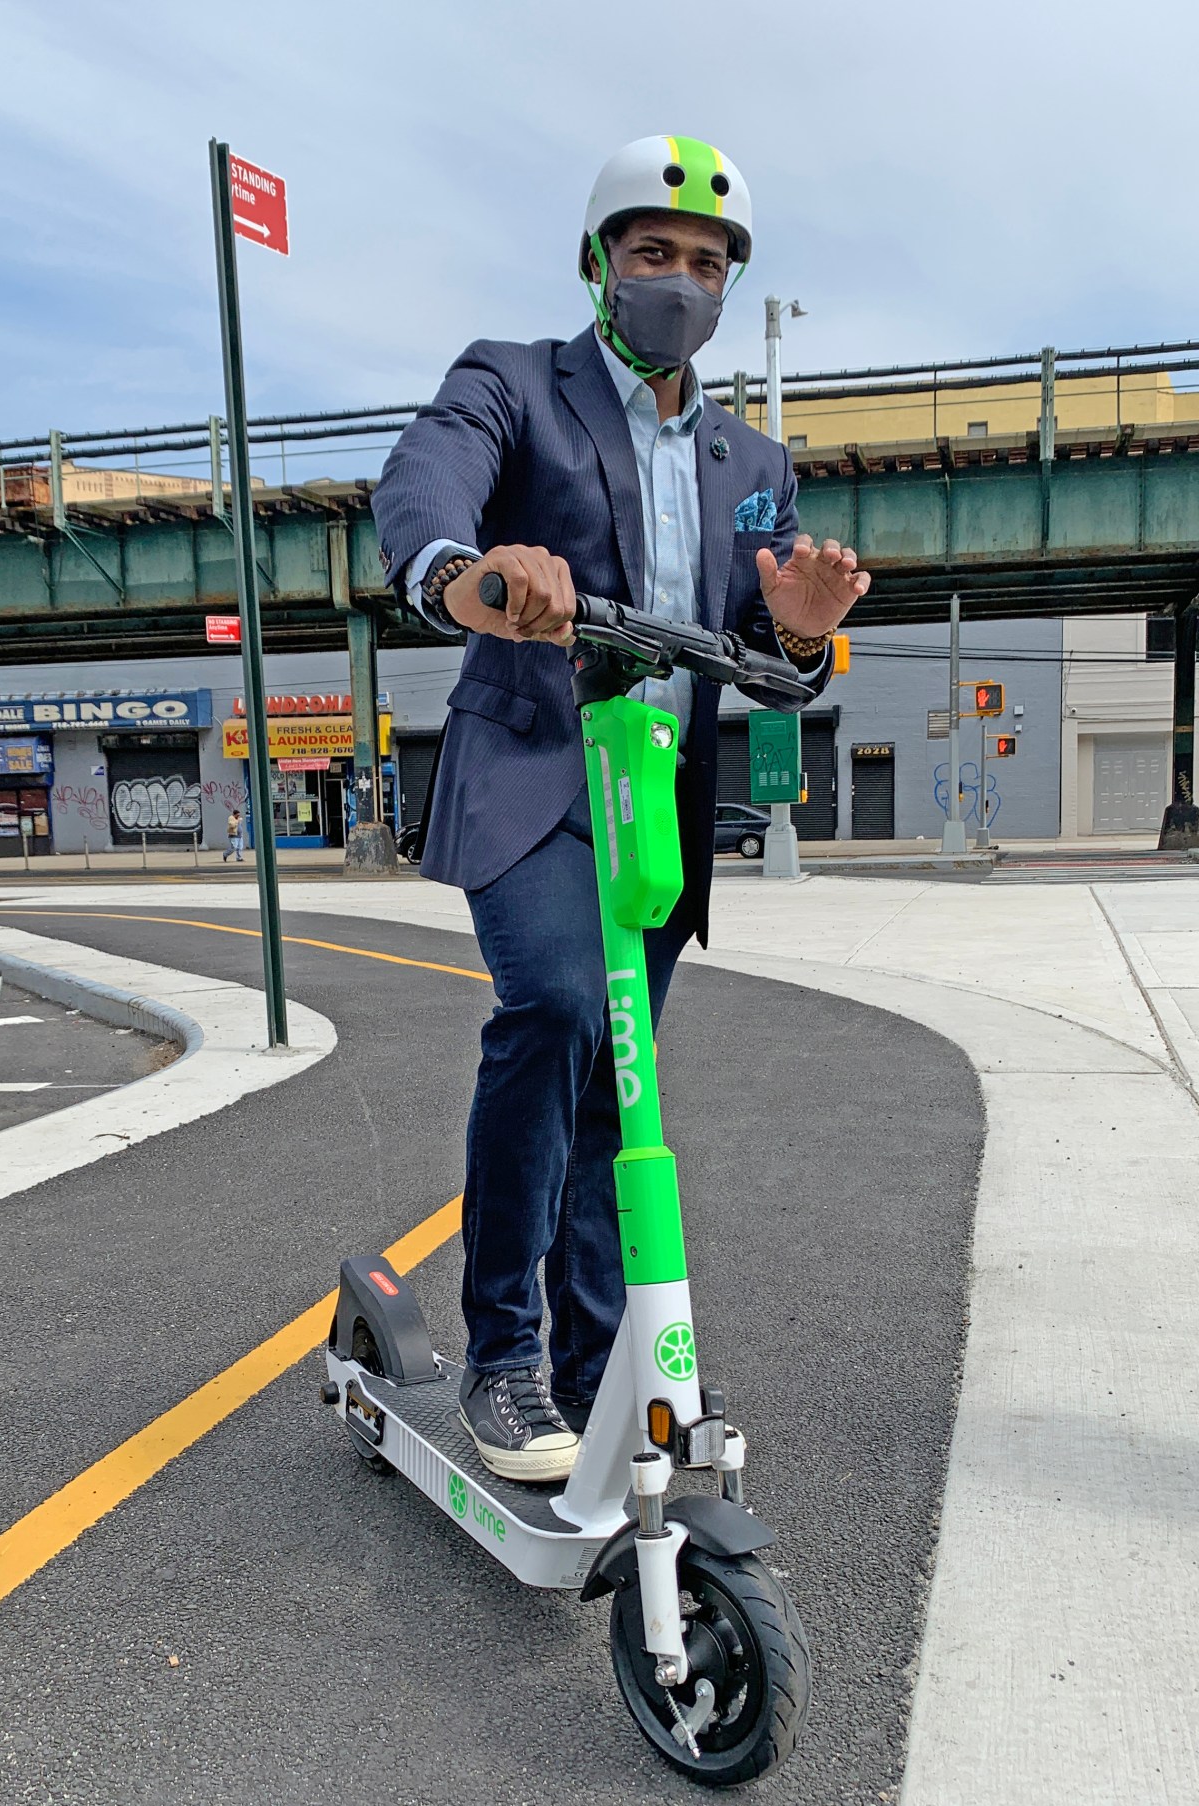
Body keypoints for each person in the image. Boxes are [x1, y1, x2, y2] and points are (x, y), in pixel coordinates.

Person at [372, 135, 870, 1483]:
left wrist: (804, 635)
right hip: (537, 773)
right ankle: (507, 1356)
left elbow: (767, 659)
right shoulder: (515, 386)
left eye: (707, 265)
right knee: (557, 1009)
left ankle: (608, 1364)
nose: (681, 283)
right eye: (654, 254)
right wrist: (471, 572)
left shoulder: (751, 458)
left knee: (618, 1084)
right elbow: (424, 484)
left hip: (654, 797)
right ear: (597, 264)